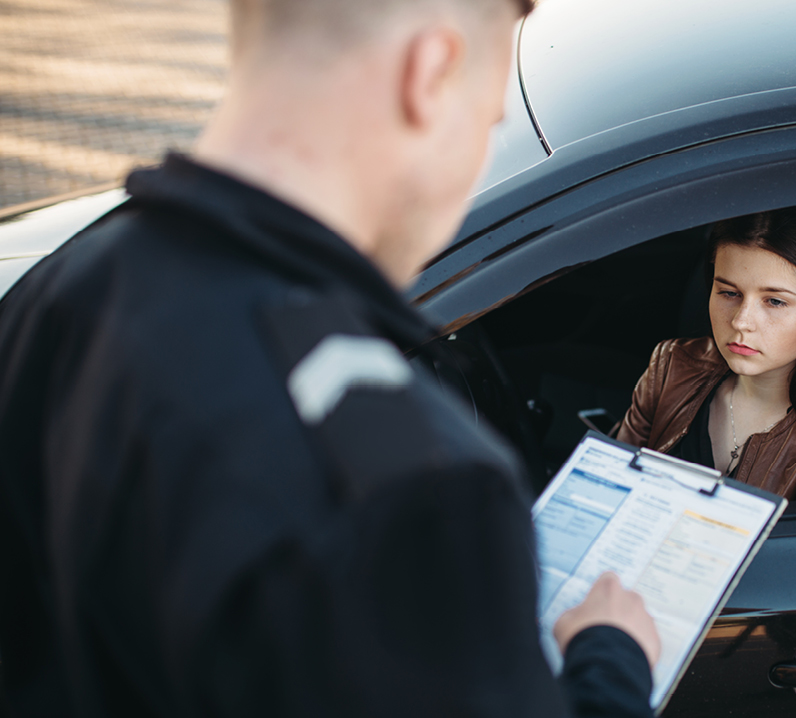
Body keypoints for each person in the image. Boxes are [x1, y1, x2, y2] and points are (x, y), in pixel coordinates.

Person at [0, 0, 660, 716]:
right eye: (489, 123)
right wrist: (609, 665)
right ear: (431, 71)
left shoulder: (60, 288)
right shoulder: (421, 493)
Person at [616, 204, 796, 500]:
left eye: (775, 302)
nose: (741, 322)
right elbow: (607, 490)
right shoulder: (672, 367)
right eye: (729, 293)